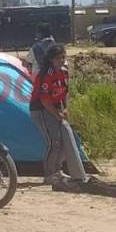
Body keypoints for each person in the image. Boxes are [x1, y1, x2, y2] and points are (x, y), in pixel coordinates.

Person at [30, 44, 89, 190]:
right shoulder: (46, 74)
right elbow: (44, 100)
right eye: (58, 58)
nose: (62, 60)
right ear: (51, 59)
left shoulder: (64, 72)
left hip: (56, 108)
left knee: (63, 140)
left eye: (64, 57)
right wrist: (56, 114)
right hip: (41, 110)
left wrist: (65, 108)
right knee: (53, 142)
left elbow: (65, 92)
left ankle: (58, 170)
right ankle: (49, 173)